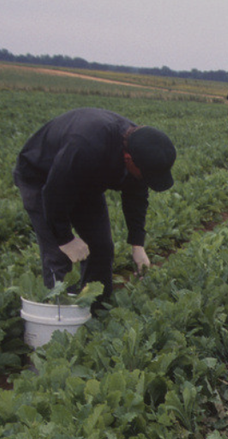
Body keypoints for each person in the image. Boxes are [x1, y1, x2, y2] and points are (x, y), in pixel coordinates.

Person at [14, 108, 176, 311]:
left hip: (86, 180)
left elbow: (136, 197)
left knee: (101, 248)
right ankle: (62, 320)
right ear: (128, 159)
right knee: (58, 254)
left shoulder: (142, 149)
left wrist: (137, 244)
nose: (145, 180)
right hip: (41, 178)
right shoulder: (87, 145)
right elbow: (53, 193)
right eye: (146, 176)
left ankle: (96, 313)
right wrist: (65, 239)